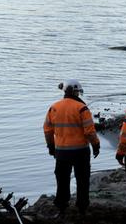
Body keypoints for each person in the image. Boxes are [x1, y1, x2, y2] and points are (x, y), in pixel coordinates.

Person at [43, 79, 100, 218]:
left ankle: (62, 209)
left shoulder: (54, 107)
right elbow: (90, 132)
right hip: (80, 151)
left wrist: (51, 147)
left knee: (62, 181)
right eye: (78, 92)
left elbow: (47, 130)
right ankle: (82, 209)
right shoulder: (82, 108)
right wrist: (96, 145)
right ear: (75, 91)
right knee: (82, 180)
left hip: (62, 151)